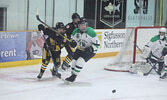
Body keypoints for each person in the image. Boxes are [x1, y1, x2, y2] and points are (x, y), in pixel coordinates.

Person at [65, 17, 100, 82]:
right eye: (81, 25)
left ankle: (74, 77)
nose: (83, 27)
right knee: (74, 62)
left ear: (86, 25)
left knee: (80, 61)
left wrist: (91, 49)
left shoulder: (91, 31)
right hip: (80, 49)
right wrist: (72, 43)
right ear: (78, 26)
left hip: (90, 50)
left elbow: (97, 44)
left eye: (84, 25)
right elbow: (72, 40)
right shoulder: (75, 31)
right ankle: (72, 75)